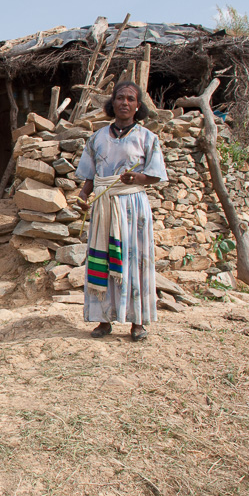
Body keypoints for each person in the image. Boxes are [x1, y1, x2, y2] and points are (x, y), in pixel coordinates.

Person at [75, 81, 167, 342]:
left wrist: (138, 178)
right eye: (120, 98)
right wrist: (83, 195)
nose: (124, 103)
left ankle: (137, 321)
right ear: (112, 103)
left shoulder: (148, 138)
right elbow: (90, 176)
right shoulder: (97, 138)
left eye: (130, 99)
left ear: (138, 106)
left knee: (134, 261)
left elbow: (156, 176)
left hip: (132, 208)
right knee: (103, 259)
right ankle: (104, 320)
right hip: (105, 207)